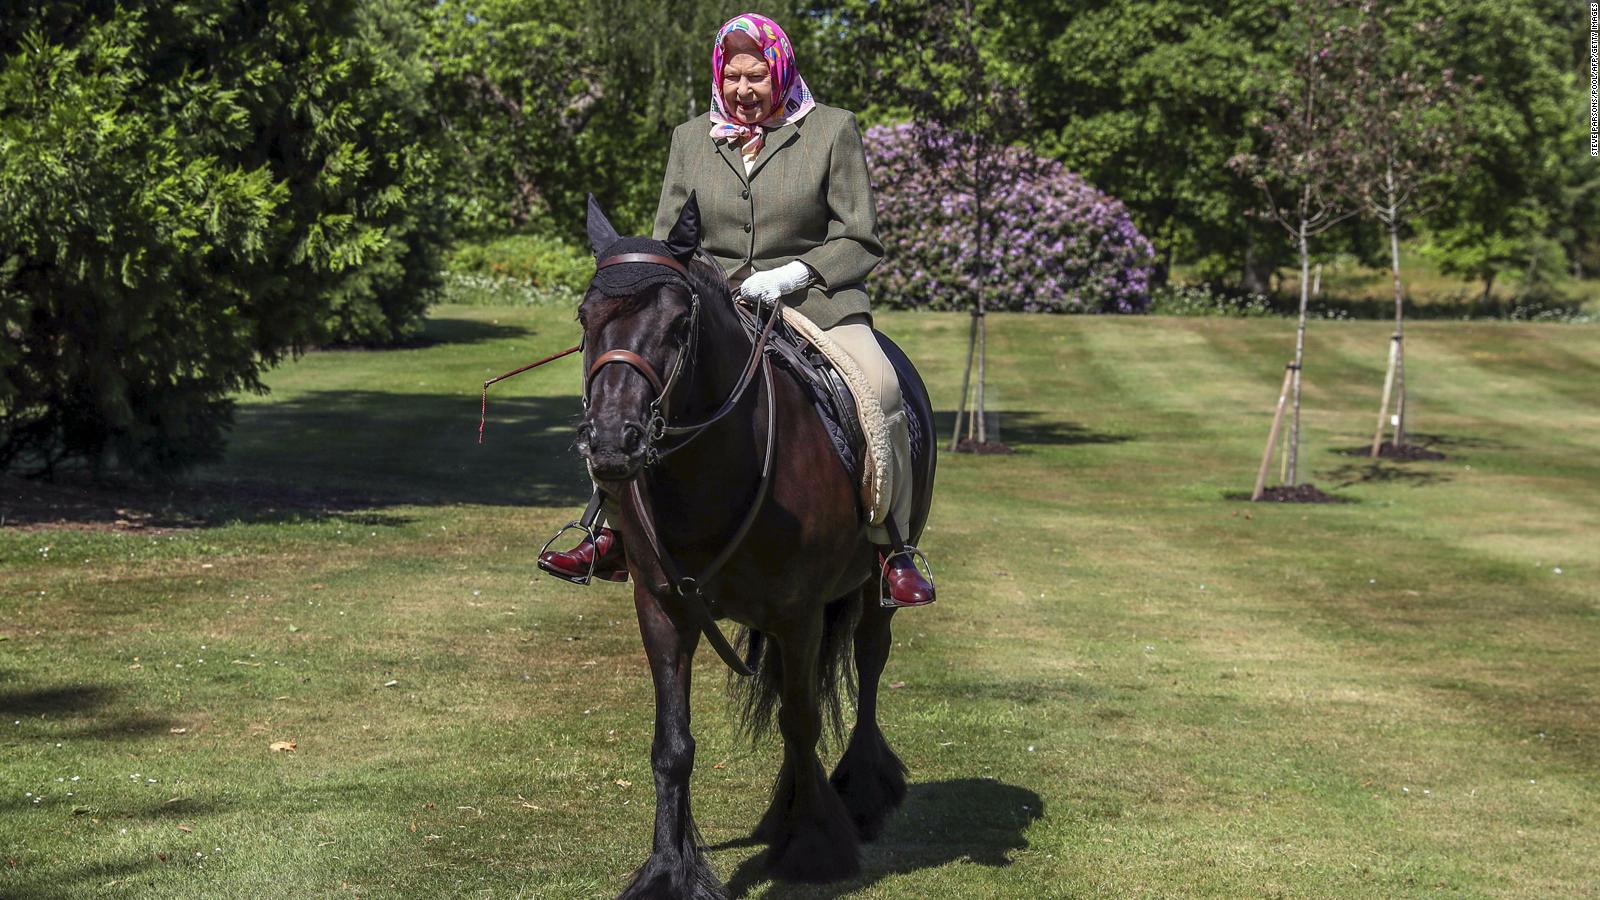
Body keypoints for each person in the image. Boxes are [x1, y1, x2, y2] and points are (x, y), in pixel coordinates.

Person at [539, 12, 933, 607]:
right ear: (718, 77)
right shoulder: (689, 138)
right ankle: (611, 529)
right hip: (714, 304)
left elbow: (860, 238)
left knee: (880, 386)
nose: (745, 91)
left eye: (758, 76)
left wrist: (795, 274)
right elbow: (670, 240)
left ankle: (890, 546)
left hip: (816, 302)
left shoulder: (831, 131)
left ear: (780, 71)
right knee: (629, 387)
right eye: (733, 77)